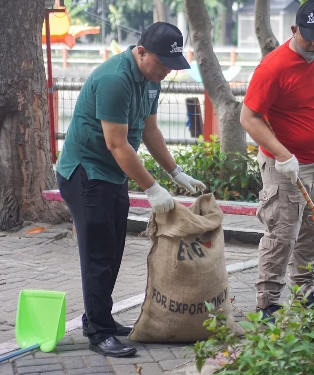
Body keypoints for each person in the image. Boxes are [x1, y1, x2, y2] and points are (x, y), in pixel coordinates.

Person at [55, 22, 206, 357]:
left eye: (172, 66)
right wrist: (152, 188)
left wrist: (175, 172)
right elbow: (116, 143)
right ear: (141, 51)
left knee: (113, 250)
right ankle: (97, 330)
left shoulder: (152, 81)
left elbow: (150, 130)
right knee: (98, 252)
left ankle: (100, 318)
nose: (166, 71)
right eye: (162, 63)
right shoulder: (114, 79)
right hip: (85, 173)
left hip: (112, 173)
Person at [240, 0, 314, 323]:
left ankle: (305, 289)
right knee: (282, 233)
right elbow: (248, 117)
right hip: (283, 166)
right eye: (309, 36)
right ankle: (268, 301)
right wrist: (283, 154)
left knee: (312, 230)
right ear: (294, 30)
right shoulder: (273, 67)